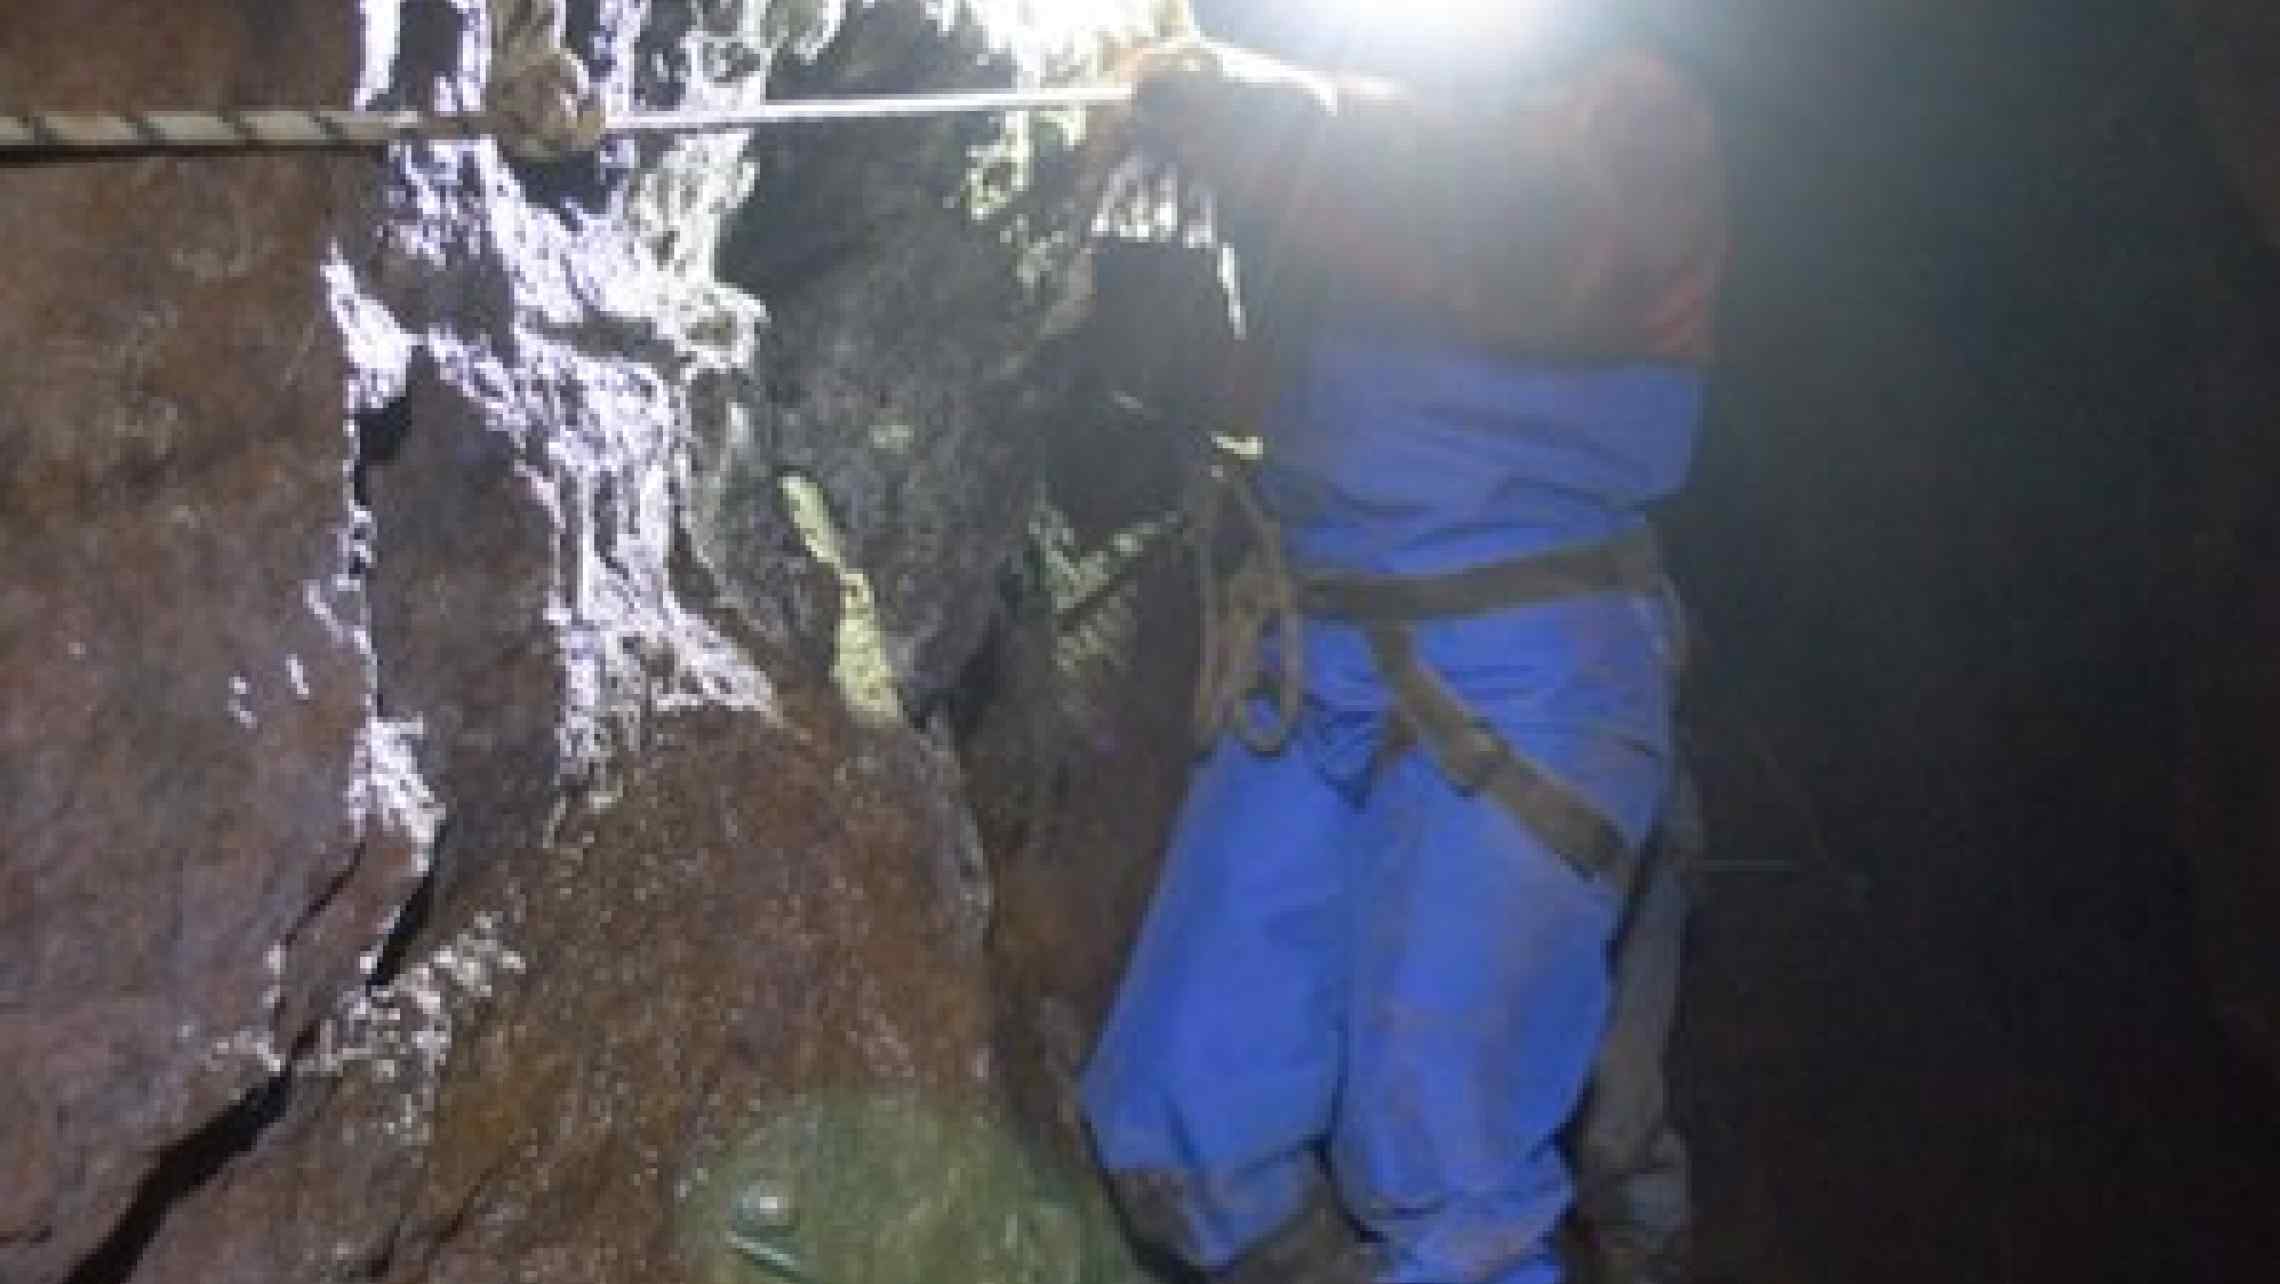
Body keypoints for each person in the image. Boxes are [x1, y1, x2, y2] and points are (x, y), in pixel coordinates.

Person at [1076, 3, 1727, 1283]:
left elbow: (1541, 245)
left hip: (1528, 674)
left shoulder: (1648, 118)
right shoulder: (1380, 103)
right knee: (1182, 1128)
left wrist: (1265, 125)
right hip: (1316, 649)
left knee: (1441, 1161)